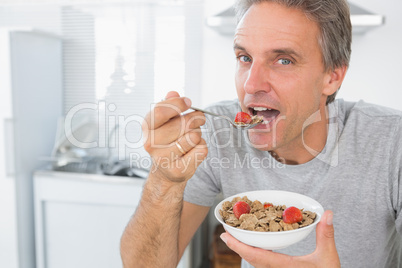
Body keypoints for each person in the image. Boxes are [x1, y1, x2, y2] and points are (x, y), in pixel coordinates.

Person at [120, 0, 402, 267]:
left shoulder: (392, 142)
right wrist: (163, 179)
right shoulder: (215, 133)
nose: (251, 85)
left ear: (333, 76)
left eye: (284, 61)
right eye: (244, 57)